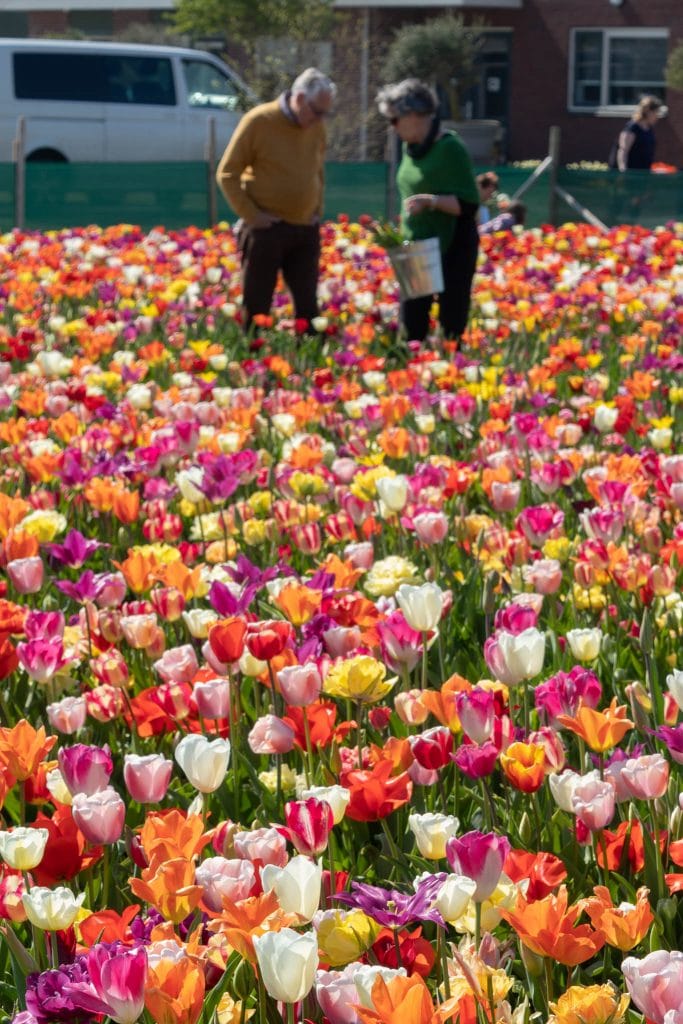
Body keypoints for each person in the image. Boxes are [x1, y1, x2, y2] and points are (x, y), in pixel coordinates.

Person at [216, 67, 336, 330]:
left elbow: (318, 170)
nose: (320, 119)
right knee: (257, 306)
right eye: (317, 111)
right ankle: (253, 364)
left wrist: (317, 209)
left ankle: (309, 366)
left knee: (308, 309)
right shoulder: (260, 121)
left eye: (325, 113)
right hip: (267, 228)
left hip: (305, 228)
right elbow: (227, 173)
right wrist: (252, 216)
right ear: (301, 98)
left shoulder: (316, 128)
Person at [377, 78, 480, 343]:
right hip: (416, 245)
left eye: (394, 119)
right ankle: (412, 375)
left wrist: (431, 201)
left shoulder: (450, 148)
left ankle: (447, 375)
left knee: (450, 323)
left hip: (452, 245)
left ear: (413, 115)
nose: (393, 127)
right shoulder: (408, 149)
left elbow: (468, 204)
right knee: (412, 323)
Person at [610, 95, 667, 171]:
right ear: (648, 111)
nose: (657, 116)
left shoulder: (649, 129)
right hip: (631, 175)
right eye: (656, 113)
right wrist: (623, 171)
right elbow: (623, 151)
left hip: (644, 174)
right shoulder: (632, 128)